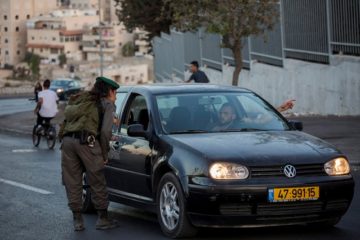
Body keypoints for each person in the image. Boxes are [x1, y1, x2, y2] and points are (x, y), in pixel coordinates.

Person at [60, 76, 119, 231]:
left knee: (72, 181)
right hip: (88, 143)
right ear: (110, 91)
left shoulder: (82, 98)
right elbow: (106, 132)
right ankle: (102, 219)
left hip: (67, 142)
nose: (116, 96)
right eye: (116, 93)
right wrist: (105, 154)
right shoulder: (107, 104)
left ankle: (78, 221)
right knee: (97, 180)